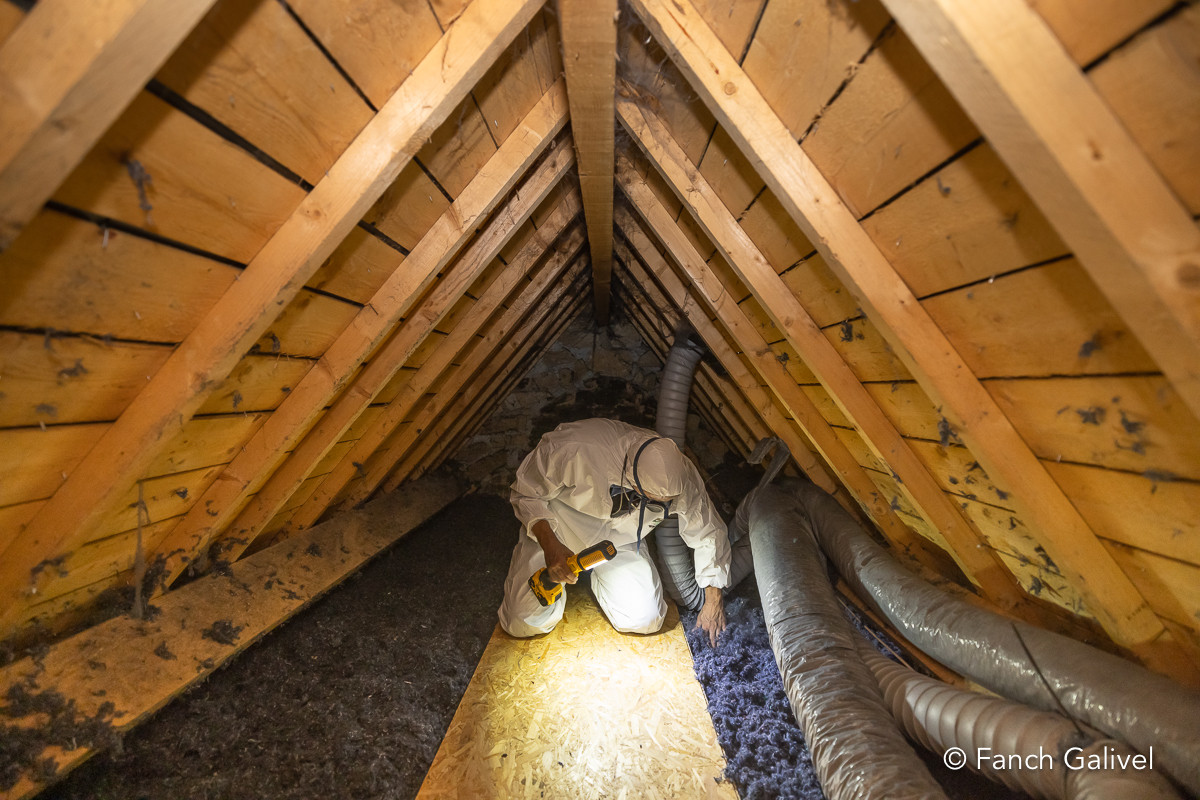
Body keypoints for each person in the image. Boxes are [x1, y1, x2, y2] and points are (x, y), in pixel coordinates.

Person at [498, 418, 730, 647]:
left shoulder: (682, 477)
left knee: (645, 619)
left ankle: (599, 579)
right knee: (523, 623)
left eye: (663, 502)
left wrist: (713, 601)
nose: (656, 504)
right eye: (648, 497)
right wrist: (550, 548)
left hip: (617, 541)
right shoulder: (575, 447)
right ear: (633, 478)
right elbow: (526, 494)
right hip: (559, 527)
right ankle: (553, 573)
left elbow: (709, 533)